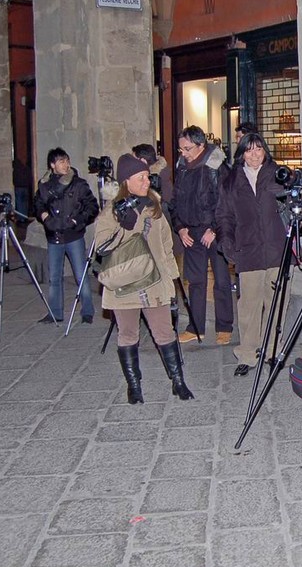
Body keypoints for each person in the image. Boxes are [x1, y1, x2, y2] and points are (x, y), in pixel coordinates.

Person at [95, 155, 193, 403]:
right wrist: (126, 225)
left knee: (165, 332)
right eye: (140, 177)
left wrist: (171, 280)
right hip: (125, 282)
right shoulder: (111, 211)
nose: (146, 181)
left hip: (155, 280)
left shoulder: (155, 204)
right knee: (128, 334)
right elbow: (101, 247)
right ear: (126, 181)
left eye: (147, 176)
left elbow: (166, 244)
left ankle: (178, 382)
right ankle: (134, 386)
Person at [216, 131, 285, 377]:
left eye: (258, 149)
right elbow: (224, 216)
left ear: (265, 150)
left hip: (277, 250)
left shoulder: (278, 175)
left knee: (276, 304)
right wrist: (227, 243)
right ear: (241, 153)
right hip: (248, 251)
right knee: (249, 306)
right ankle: (247, 353)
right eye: (249, 149)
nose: (254, 154)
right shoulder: (231, 181)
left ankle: (272, 352)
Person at [172, 125, 235, 345]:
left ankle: (224, 326)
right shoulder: (182, 166)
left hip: (214, 232)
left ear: (201, 146)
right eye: (181, 149)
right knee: (195, 281)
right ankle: (195, 327)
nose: (183, 153)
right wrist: (180, 227)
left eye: (187, 149)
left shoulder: (217, 166)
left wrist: (213, 228)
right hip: (190, 231)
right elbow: (176, 201)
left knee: (221, 280)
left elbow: (226, 202)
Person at [33, 148, 99, 324]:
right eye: (61, 161)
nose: (65, 164)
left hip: (73, 235)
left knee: (81, 274)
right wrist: (44, 216)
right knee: (54, 277)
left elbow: (92, 207)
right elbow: (38, 204)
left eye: (67, 161)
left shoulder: (78, 184)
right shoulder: (44, 184)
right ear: (52, 165)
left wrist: (77, 221)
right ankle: (55, 313)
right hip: (53, 235)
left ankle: (87, 311)